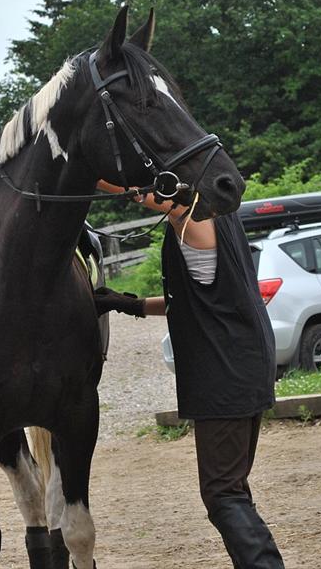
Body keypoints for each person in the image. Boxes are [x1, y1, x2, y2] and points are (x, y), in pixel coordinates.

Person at [94, 181, 285, 569]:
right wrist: (127, 305)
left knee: (222, 494)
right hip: (246, 365)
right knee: (233, 489)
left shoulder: (189, 220)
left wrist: (100, 174)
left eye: (139, 193)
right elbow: (188, 301)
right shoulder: (222, 216)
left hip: (224, 373)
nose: (136, 199)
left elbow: (165, 195)